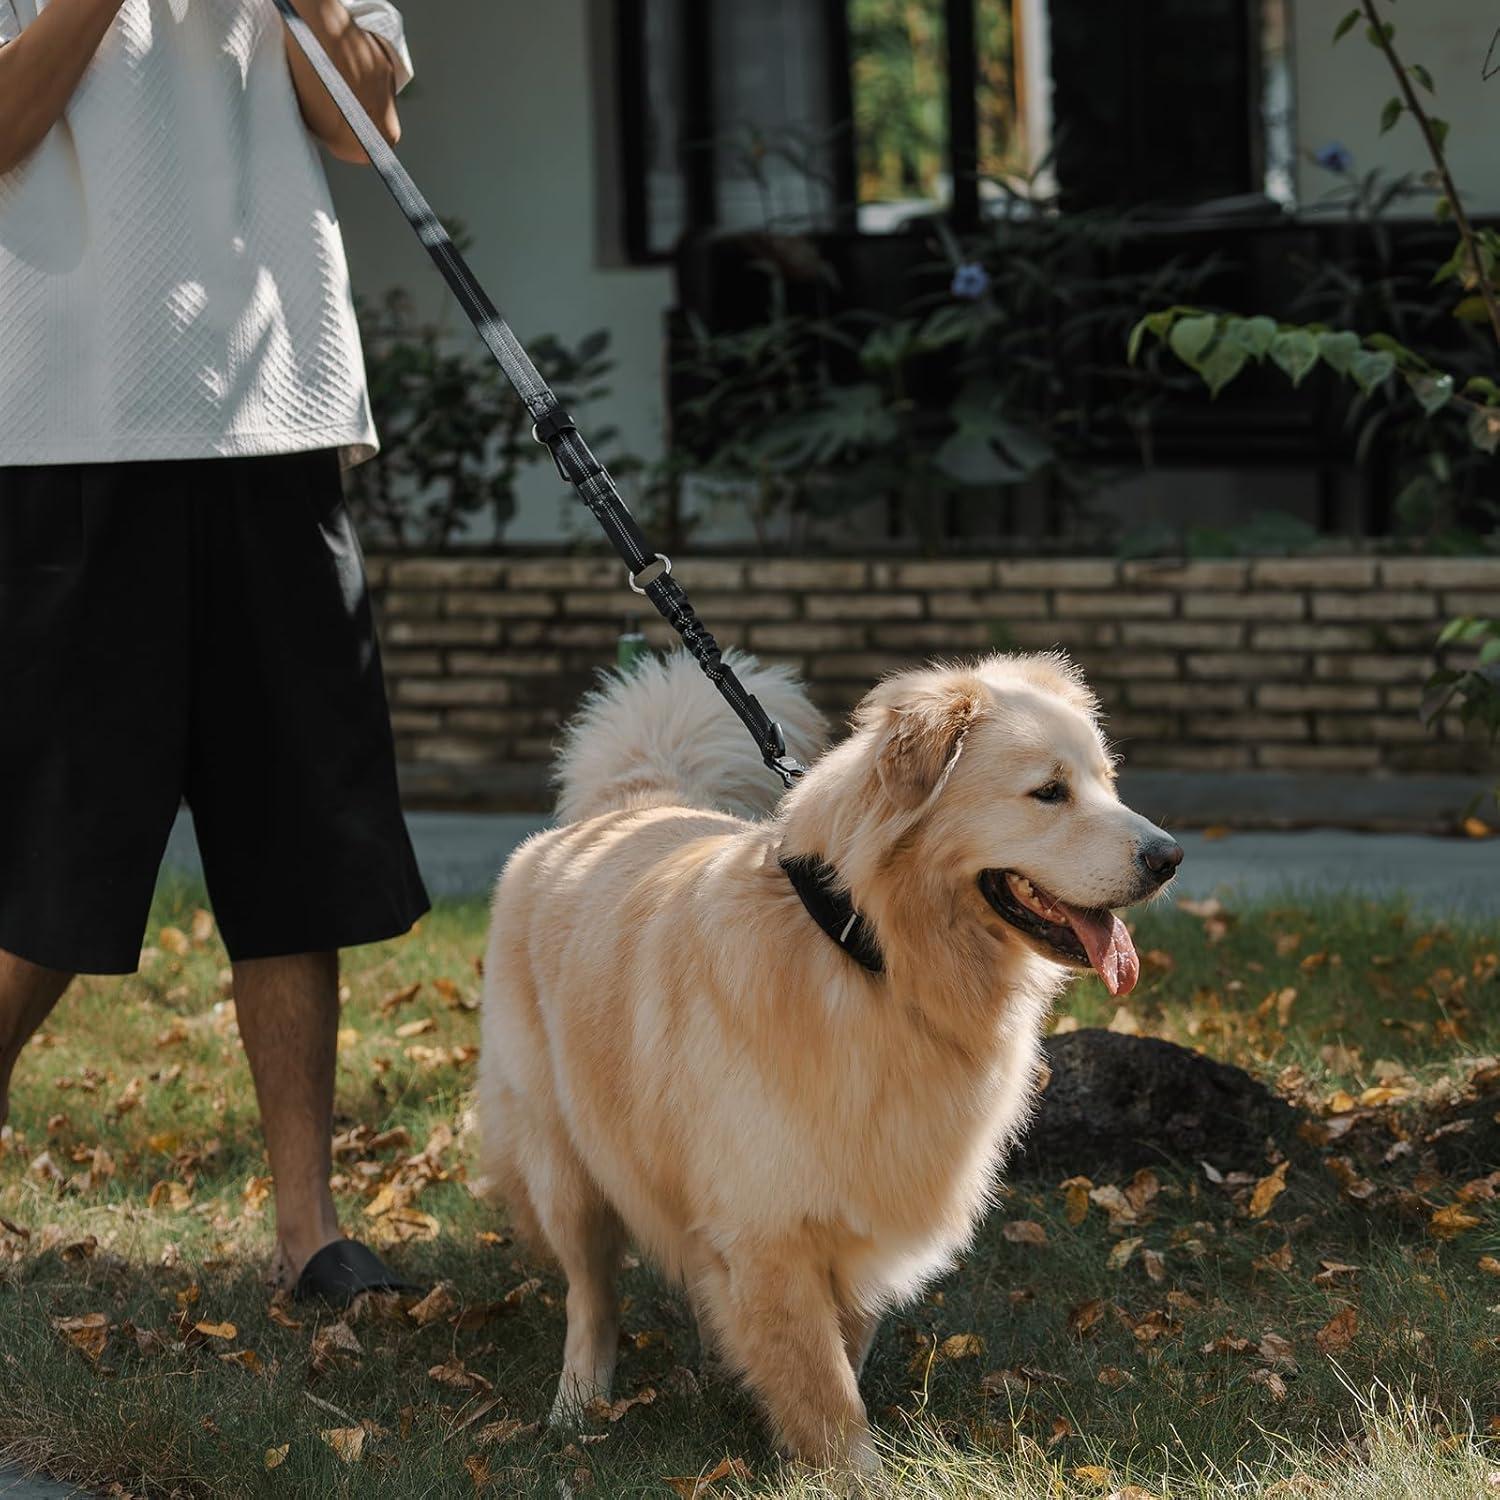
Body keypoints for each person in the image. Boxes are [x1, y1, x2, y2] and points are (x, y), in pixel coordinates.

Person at [0, 0, 432, 1303]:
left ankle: (311, 1236)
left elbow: (368, 125)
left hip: (278, 408)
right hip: (67, 422)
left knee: (294, 842)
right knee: (59, 849)